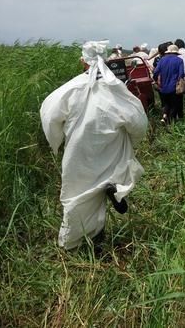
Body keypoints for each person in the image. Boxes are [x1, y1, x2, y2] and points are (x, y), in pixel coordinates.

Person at [40, 41, 148, 250]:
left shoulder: (70, 89)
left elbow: (49, 115)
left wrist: (57, 140)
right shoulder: (115, 88)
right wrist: (132, 141)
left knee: (78, 195)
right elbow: (138, 122)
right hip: (111, 148)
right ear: (106, 59)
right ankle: (115, 185)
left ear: (83, 61)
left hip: (79, 151)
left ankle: (75, 243)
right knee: (115, 167)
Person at [153, 44, 184, 123]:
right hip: (174, 88)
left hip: (163, 88)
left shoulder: (162, 60)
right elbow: (181, 74)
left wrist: (156, 80)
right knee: (174, 106)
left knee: (167, 104)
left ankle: (164, 118)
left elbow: (156, 72)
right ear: (176, 53)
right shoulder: (179, 60)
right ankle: (170, 124)